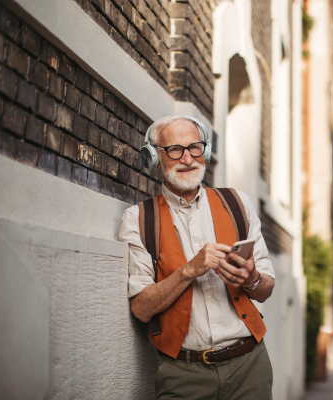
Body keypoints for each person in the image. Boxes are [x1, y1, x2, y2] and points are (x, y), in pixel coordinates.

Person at [118, 115, 275, 400]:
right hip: (183, 374)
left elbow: (266, 289)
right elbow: (141, 309)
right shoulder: (139, 219)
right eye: (175, 150)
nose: (187, 158)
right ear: (154, 158)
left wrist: (252, 278)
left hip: (249, 366)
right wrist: (189, 270)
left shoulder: (238, 204)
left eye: (195, 147)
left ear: (206, 151)